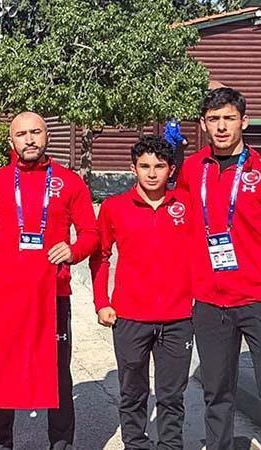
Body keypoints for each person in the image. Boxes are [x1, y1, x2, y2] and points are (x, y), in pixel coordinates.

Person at [177, 87, 261, 450]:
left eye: (229, 118)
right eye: (214, 119)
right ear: (203, 125)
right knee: (216, 393)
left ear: (244, 121)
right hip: (209, 302)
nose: (221, 127)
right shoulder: (191, 170)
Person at [0, 112, 99, 450]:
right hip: (6, 296)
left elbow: (90, 234)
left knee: (57, 374)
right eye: (21, 134)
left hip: (52, 294)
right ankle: (0, 444)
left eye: (36, 132)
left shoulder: (69, 181)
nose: (29, 139)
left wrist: (72, 250)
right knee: (3, 372)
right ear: (11, 141)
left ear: (47, 136)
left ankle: (61, 444)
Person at [89, 136, 194, 450]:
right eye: (144, 166)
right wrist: (101, 302)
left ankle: (171, 445)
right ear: (132, 168)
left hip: (178, 318)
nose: (151, 173)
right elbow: (100, 256)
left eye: (159, 166)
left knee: (172, 394)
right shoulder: (114, 207)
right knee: (133, 392)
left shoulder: (187, 204)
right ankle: (135, 443)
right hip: (130, 317)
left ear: (171, 169)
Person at [163, 117, 188, 188]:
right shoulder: (173, 122)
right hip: (171, 144)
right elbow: (173, 133)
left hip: (172, 144)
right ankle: (170, 180)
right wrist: (182, 139)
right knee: (173, 162)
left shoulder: (173, 122)